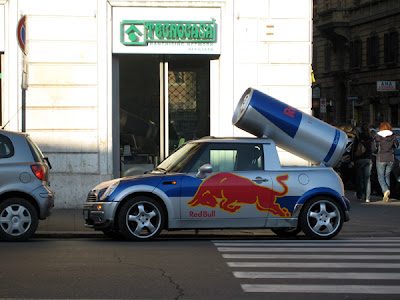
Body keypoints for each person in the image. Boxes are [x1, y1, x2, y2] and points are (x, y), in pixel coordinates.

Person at [372, 122, 399, 202]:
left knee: (380, 176)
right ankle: (386, 194)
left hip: (381, 157)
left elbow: (374, 148)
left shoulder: (377, 136)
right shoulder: (393, 136)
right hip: (390, 157)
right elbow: (396, 146)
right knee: (387, 176)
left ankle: (385, 190)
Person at [351, 123, 373, 202]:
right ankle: (367, 197)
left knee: (359, 178)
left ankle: (360, 195)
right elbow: (373, 148)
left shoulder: (358, 136)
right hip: (368, 159)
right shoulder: (370, 137)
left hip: (359, 159)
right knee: (367, 178)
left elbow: (353, 148)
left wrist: (352, 159)